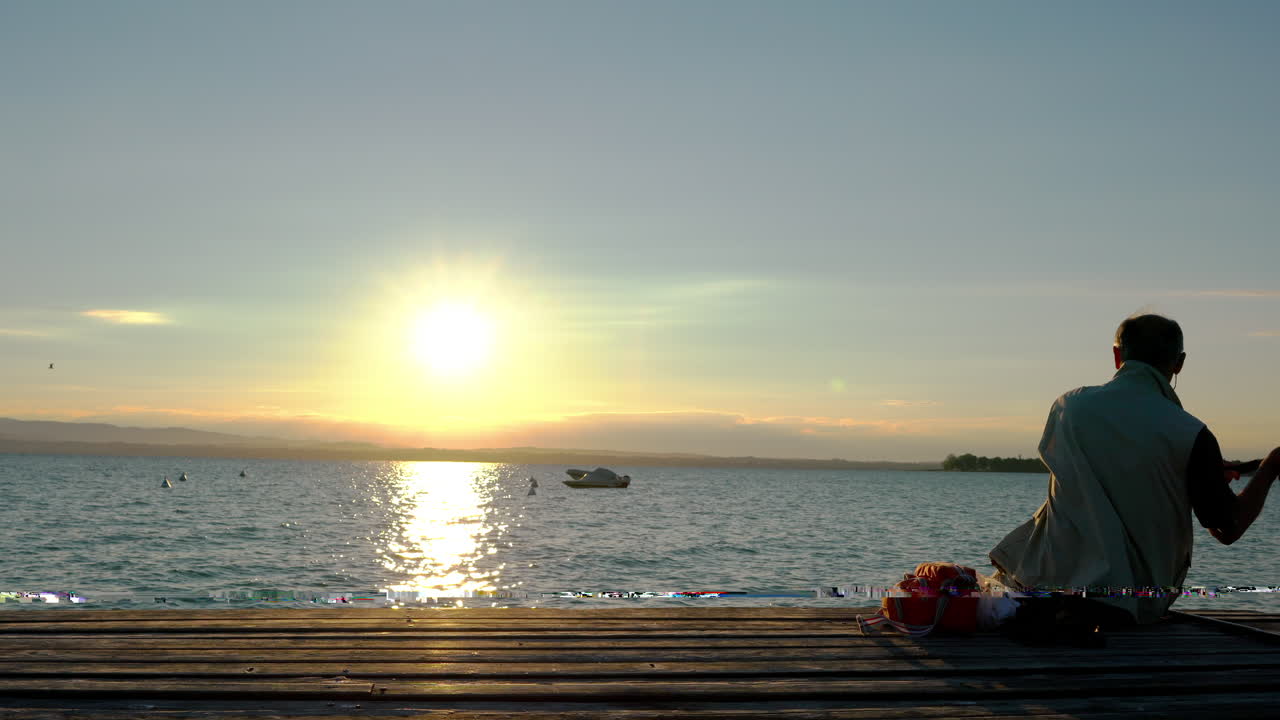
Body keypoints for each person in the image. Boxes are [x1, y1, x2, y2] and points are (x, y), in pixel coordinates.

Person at [989, 313, 1280, 628]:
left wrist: (1187, 471)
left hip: (1042, 586)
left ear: (1117, 356)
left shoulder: (1067, 408)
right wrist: (1271, 466)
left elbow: (1110, 467)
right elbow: (1227, 528)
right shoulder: (1191, 433)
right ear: (1179, 362)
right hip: (1129, 603)